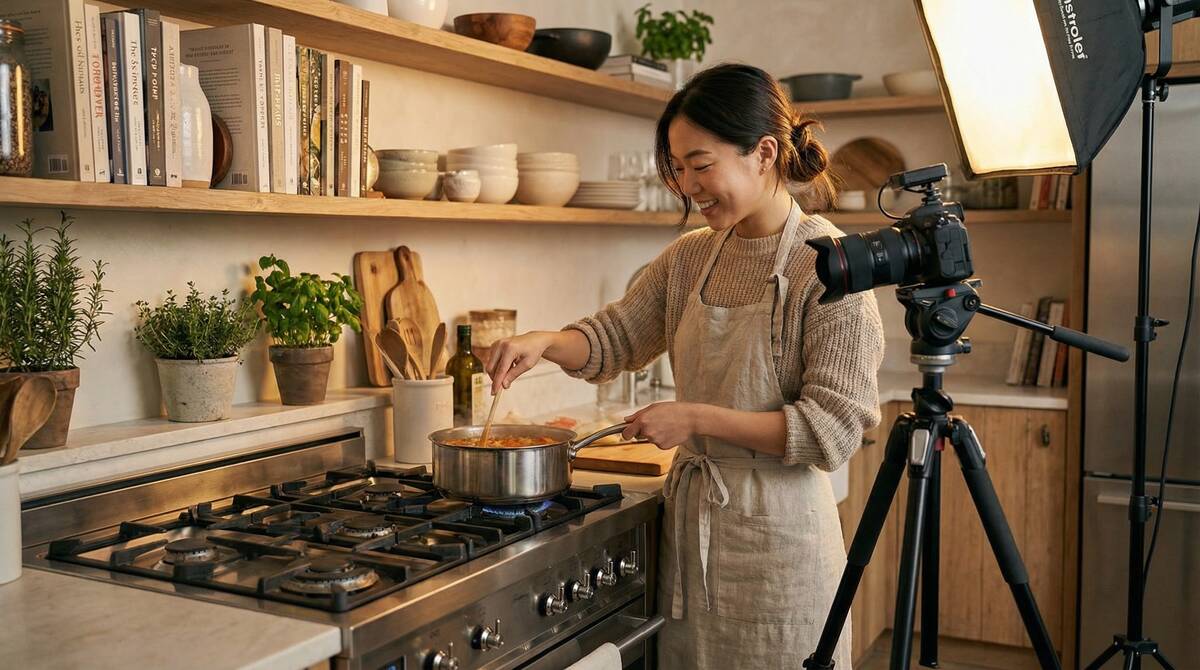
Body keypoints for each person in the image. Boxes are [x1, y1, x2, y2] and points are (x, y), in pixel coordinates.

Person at [485, 63, 884, 668]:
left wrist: (694, 418)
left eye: (701, 165)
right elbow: (615, 338)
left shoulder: (830, 267)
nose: (687, 184)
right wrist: (547, 341)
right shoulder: (691, 256)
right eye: (676, 168)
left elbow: (831, 432)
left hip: (781, 555)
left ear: (765, 153)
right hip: (691, 550)